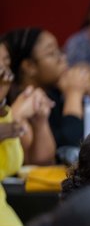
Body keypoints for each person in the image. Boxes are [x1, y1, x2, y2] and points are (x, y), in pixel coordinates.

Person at [3, 27, 90, 149]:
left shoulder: (54, 93)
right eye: (51, 53)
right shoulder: (22, 104)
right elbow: (66, 148)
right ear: (29, 66)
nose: (63, 58)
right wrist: (74, 95)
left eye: (59, 51)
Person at [0, 37, 56, 165]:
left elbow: (43, 162)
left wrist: (40, 122)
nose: (3, 70)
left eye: (6, 62)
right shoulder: (13, 110)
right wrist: (16, 115)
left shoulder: (6, 108)